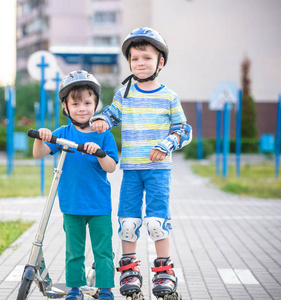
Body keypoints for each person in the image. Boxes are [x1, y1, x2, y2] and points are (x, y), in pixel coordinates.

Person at [90, 27, 192, 299]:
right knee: (127, 222)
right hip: (131, 169)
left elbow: (183, 129)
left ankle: (163, 271)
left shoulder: (169, 97)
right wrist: (101, 120)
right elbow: (111, 115)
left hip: (159, 170)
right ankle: (129, 269)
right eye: (135, 59)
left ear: (160, 62)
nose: (140, 63)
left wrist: (167, 144)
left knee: (157, 221)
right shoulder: (124, 94)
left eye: (146, 58)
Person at [33, 70, 119, 300]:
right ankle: (74, 288)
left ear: (96, 104)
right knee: (74, 251)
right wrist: (42, 137)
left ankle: (105, 288)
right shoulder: (63, 133)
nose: (82, 108)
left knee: (102, 251)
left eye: (88, 103)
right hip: (71, 204)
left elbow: (111, 166)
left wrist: (99, 153)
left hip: (99, 205)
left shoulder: (104, 135)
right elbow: (39, 154)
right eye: (76, 103)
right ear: (66, 107)